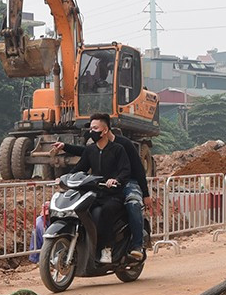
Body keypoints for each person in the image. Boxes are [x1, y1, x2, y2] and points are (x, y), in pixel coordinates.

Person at [50, 113, 131, 264]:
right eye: (91, 128)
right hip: (94, 193)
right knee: (81, 211)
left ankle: (106, 248)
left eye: (95, 128)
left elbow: (126, 170)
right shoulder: (90, 150)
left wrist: (116, 180)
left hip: (112, 194)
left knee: (102, 212)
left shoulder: (118, 149)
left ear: (105, 130)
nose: (91, 131)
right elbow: (79, 168)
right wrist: (64, 178)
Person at [111, 131, 151, 262]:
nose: (92, 132)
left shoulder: (124, 144)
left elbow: (138, 169)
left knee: (133, 204)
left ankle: (137, 244)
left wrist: (145, 194)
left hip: (128, 183)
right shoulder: (95, 147)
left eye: (95, 128)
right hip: (106, 184)